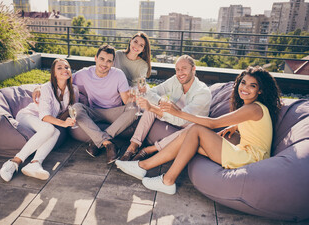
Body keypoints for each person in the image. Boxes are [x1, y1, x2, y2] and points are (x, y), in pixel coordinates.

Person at [115, 66, 282, 195]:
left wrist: (179, 113)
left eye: (252, 86)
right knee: (190, 138)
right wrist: (235, 126)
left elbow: (213, 123)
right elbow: (254, 125)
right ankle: (142, 166)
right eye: (243, 83)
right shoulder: (255, 108)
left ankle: (166, 179)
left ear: (260, 90)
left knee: (196, 130)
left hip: (250, 159)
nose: (245, 88)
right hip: (247, 153)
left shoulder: (252, 108)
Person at [120, 55, 211, 161]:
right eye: (177, 69)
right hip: (174, 115)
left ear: (193, 69)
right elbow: (153, 92)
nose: (180, 73)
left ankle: (149, 149)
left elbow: (180, 119)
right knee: (152, 109)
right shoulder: (175, 80)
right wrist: (160, 102)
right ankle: (133, 146)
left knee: (191, 130)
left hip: (190, 124)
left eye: (184, 68)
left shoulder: (202, 93)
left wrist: (155, 108)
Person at [0, 58, 78, 182]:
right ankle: (14, 162)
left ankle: (35, 163)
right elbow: (45, 116)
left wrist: (69, 120)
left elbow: (70, 110)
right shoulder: (46, 88)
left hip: (44, 122)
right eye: (60, 68)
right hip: (28, 116)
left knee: (55, 132)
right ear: (54, 73)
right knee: (49, 128)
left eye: (67, 67)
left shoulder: (74, 90)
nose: (64, 70)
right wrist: (62, 123)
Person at [72, 44, 137, 164]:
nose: (104, 64)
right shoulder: (85, 73)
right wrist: (40, 88)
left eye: (109, 61)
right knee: (76, 108)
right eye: (101, 59)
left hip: (114, 112)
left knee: (134, 108)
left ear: (112, 63)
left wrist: (133, 96)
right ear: (95, 58)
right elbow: (63, 79)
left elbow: (126, 100)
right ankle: (108, 144)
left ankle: (97, 141)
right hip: (95, 111)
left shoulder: (118, 74)